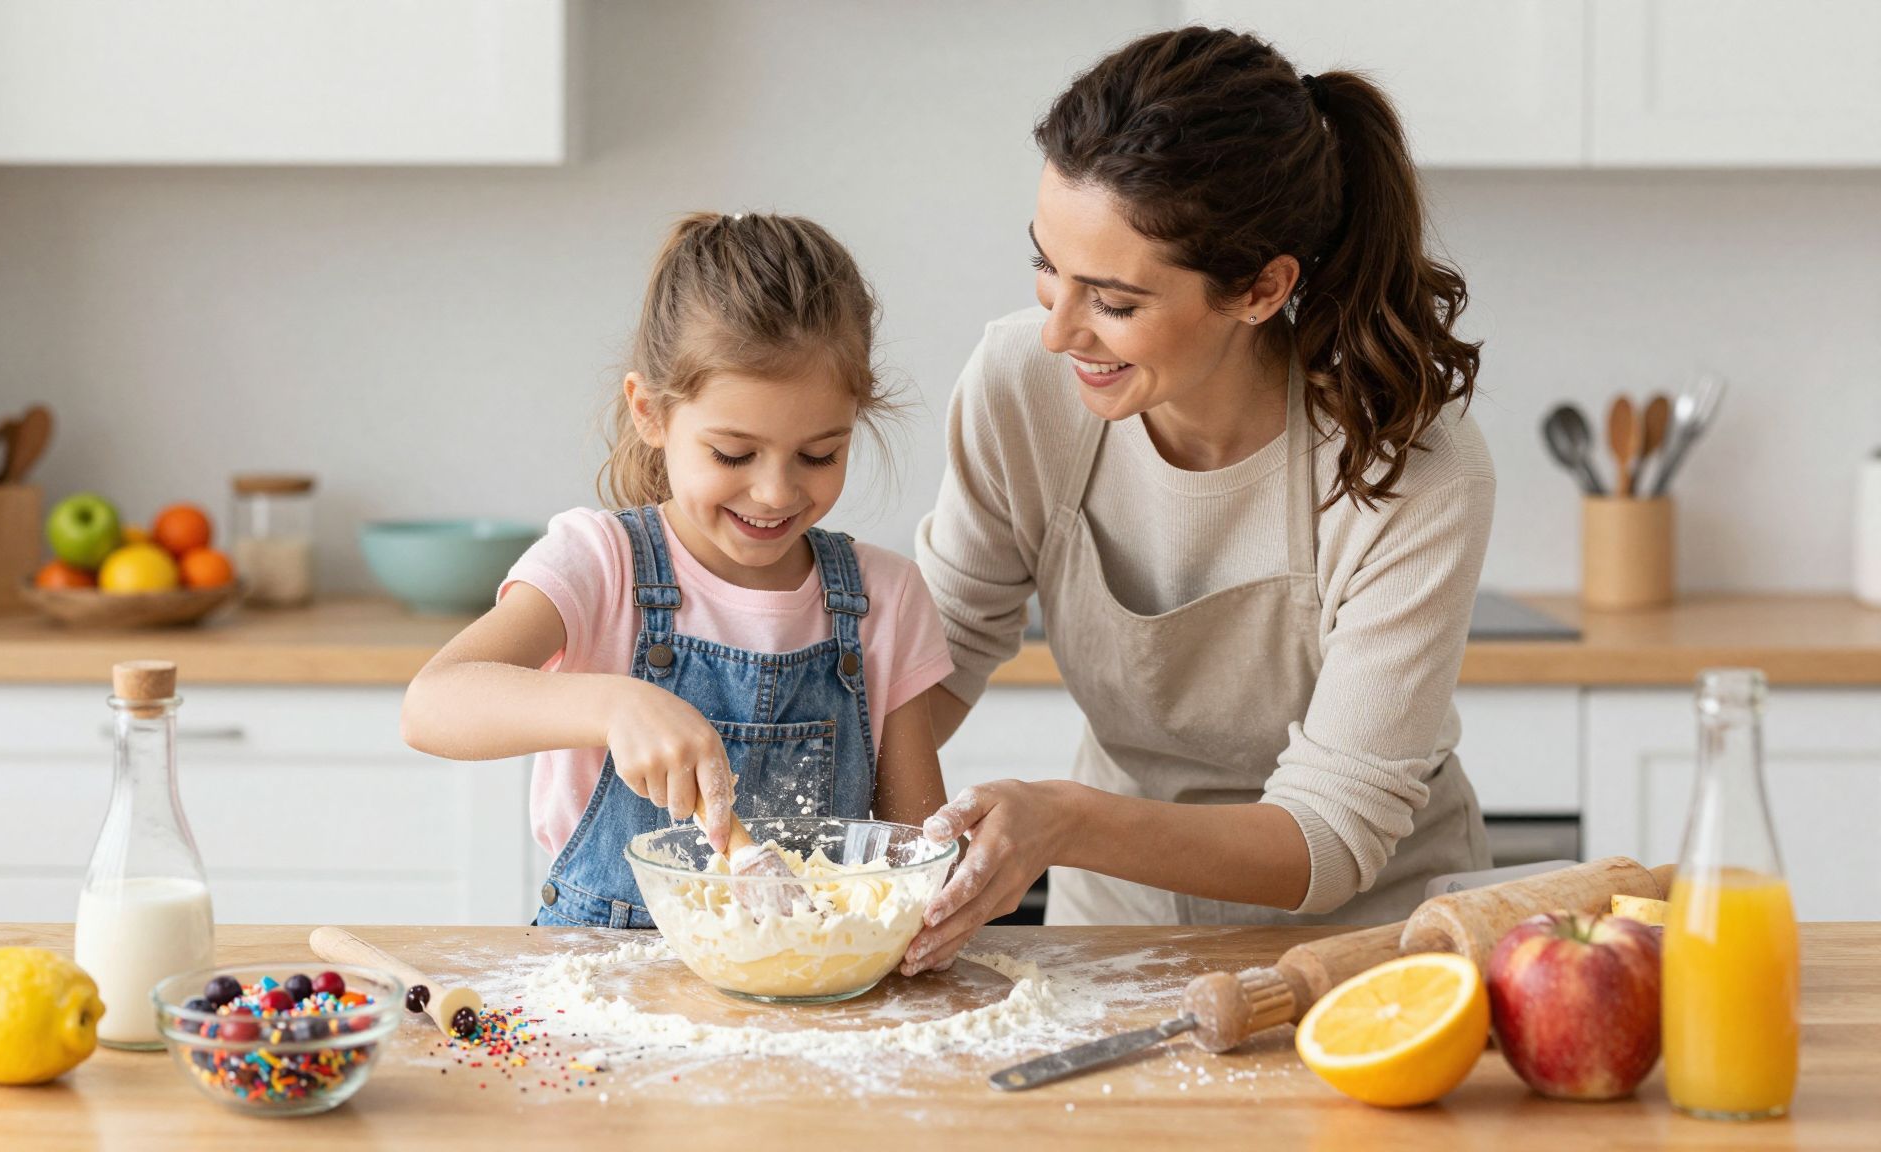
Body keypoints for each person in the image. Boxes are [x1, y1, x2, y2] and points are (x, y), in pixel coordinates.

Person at [903, 26, 1494, 974]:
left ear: (1261, 289)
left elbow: (1331, 833)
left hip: (1370, 951)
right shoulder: (1020, 385)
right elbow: (944, 645)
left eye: (1114, 302)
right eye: (1047, 266)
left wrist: (1062, 821)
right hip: (1112, 930)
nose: (1058, 333)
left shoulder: (1409, 467)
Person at [403, 212, 954, 928]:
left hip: (810, 1001)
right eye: (733, 454)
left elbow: (916, 857)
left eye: (819, 455)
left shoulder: (885, 598)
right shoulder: (601, 565)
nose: (776, 491)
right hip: (598, 988)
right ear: (651, 413)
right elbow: (432, 704)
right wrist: (614, 706)